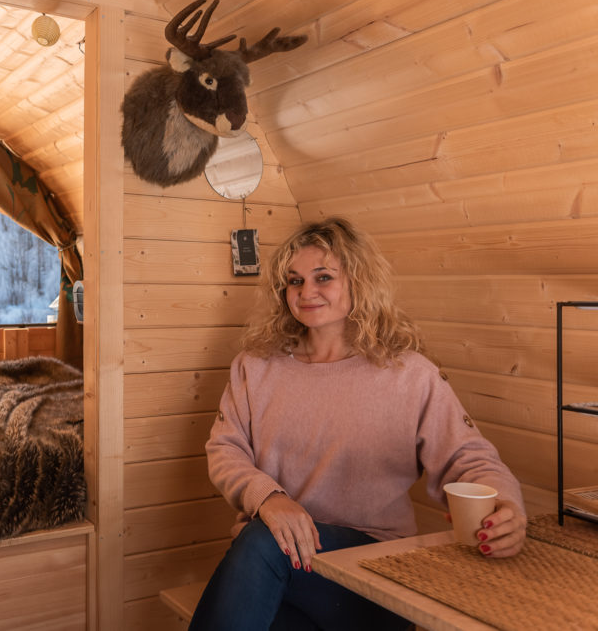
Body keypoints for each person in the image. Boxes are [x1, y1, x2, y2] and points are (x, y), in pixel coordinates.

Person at [189, 217, 526, 631]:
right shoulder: (255, 368)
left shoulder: (409, 375)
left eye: (323, 277)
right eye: (294, 281)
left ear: (358, 283)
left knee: (262, 542)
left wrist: (509, 507)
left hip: (375, 573)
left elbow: (469, 458)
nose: (306, 292)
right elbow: (225, 450)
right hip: (284, 571)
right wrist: (270, 499)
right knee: (267, 573)